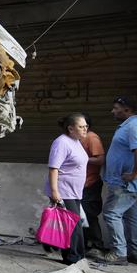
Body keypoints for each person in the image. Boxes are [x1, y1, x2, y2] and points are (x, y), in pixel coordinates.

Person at [101, 97, 137, 265]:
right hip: (123, 182)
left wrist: (135, 173)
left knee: (111, 212)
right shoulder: (129, 126)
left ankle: (119, 253)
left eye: (116, 108)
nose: (112, 111)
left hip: (125, 184)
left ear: (127, 110)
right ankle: (135, 253)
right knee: (131, 215)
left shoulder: (134, 126)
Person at [44, 113, 89, 264]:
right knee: (74, 226)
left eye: (86, 126)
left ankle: (73, 254)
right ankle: (73, 259)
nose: (85, 129)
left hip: (75, 191)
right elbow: (53, 169)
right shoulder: (61, 142)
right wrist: (55, 192)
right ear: (70, 128)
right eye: (81, 126)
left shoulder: (76, 142)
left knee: (74, 224)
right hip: (64, 190)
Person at [80, 113, 105, 252]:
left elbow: (100, 160)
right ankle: (84, 245)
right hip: (79, 184)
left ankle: (97, 245)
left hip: (90, 184)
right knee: (80, 216)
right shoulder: (78, 139)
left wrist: (82, 159)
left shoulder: (91, 138)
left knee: (89, 215)